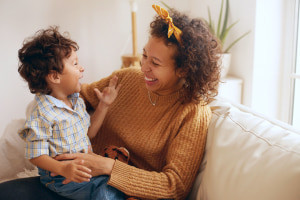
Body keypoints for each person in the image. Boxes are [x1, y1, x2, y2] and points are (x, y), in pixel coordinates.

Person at [0, 5, 221, 200]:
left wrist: (106, 167)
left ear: (183, 69)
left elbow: (175, 186)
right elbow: (76, 98)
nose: (144, 68)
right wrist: (59, 158)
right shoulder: (128, 79)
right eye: (144, 56)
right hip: (71, 178)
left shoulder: (193, 113)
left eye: (155, 63)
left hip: (114, 190)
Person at [16, 26, 127, 200]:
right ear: (55, 77)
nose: (82, 68)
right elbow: (35, 155)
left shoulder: (76, 100)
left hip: (84, 166)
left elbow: (89, 133)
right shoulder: (42, 113)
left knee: (120, 182)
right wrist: (63, 169)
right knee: (106, 192)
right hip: (60, 178)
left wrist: (104, 105)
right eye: (75, 63)